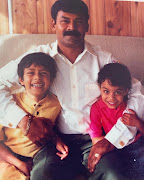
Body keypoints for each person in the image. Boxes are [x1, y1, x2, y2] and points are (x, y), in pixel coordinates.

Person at [0, 0, 144, 179]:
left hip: (96, 140)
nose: (71, 27)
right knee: (41, 175)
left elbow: (137, 93)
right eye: (65, 20)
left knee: (113, 175)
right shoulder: (38, 60)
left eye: (78, 21)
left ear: (87, 26)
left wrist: (112, 139)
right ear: (54, 24)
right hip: (55, 141)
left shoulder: (102, 59)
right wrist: (22, 120)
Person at [0, 52, 68, 180]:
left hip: (42, 154)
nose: (37, 78)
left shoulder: (56, 104)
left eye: (43, 73)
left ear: (51, 80)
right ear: (21, 79)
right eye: (31, 73)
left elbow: (52, 130)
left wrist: (57, 141)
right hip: (9, 155)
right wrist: (19, 164)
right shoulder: (8, 104)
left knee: (43, 172)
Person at [88, 63, 144, 180]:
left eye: (118, 92)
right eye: (106, 91)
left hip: (138, 148)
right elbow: (96, 138)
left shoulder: (132, 107)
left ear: (126, 91)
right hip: (115, 151)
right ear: (100, 88)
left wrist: (138, 123)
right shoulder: (96, 109)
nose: (111, 98)